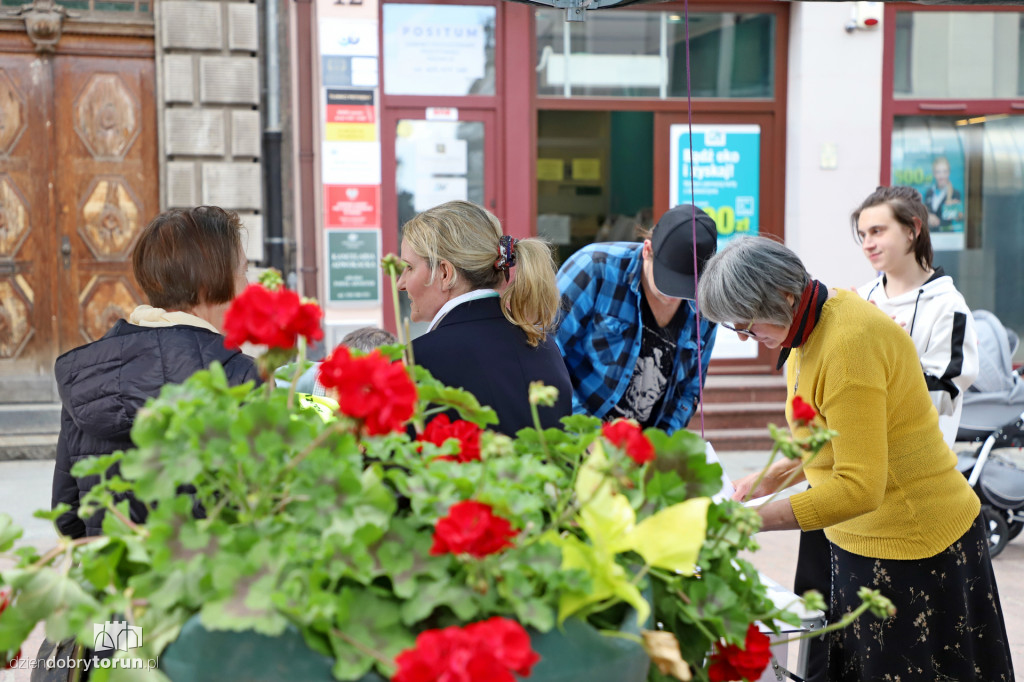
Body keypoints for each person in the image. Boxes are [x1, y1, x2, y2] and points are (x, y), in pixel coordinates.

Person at [698, 236, 1013, 682]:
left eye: (748, 325)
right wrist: (770, 478)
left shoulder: (848, 345)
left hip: (915, 540)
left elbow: (859, 487)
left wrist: (753, 521)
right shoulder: (809, 324)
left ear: (783, 296)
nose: (751, 339)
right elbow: (828, 435)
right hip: (863, 537)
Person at [52, 206, 259, 538]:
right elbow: (256, 506)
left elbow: (67, 516)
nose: (248, 288)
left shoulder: (87, 373)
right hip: (206, 582)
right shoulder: (237, 375)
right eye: (243, 272)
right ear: (211, 283)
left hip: (111, 581)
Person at [396, 200, 572, 436]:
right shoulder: (544, 345)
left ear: (445, 273)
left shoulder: (418, 360)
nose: (400, 284)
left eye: (409, 267)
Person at [555, 204, 717, 433]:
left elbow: (689, 389)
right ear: (647, 250)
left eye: (686, 287)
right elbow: (545, 353)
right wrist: (586, 436)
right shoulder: (593, 269)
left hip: (641, 451)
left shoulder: (705, 302)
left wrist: (659, 446)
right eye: (668, 282)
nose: (674, 295)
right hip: (575, 439)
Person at [852, 185, 978, 447]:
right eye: (863, 235)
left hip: (920, 473)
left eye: (877, 231)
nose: (867, 244)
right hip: (862, 464)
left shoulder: (949, 306)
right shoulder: (860, 299)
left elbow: (943, 397)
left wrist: (889, 349)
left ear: (913, 230)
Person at [923, 155, 963, 231]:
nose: (942, 176)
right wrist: (928, 217)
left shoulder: (955, 193)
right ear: (934, 174)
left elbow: (959, 218)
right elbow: (924, 213)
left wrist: (957, 213)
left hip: (947, 236)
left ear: (949, 173)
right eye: (938, 172)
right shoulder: (929, 192)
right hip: (930, 236)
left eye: (945, 172)